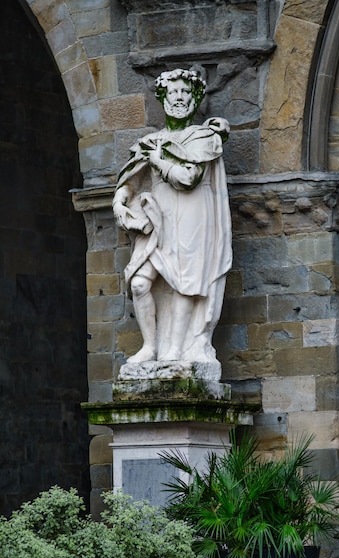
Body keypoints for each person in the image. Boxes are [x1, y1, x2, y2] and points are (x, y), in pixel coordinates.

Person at [113, 68, 232, 363]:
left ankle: (177, 349)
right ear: (163, 99)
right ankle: (150, 347)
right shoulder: (150, 141)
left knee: (185, 283)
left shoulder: (203, 138)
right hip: (157, 220)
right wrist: (120, 201)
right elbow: (129, 180)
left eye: (185, 93)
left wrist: (159, 160)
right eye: (173, 93)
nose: (179, 99)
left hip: (193, 218)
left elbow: (188, 177)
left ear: (194, 101)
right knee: (140, 282)